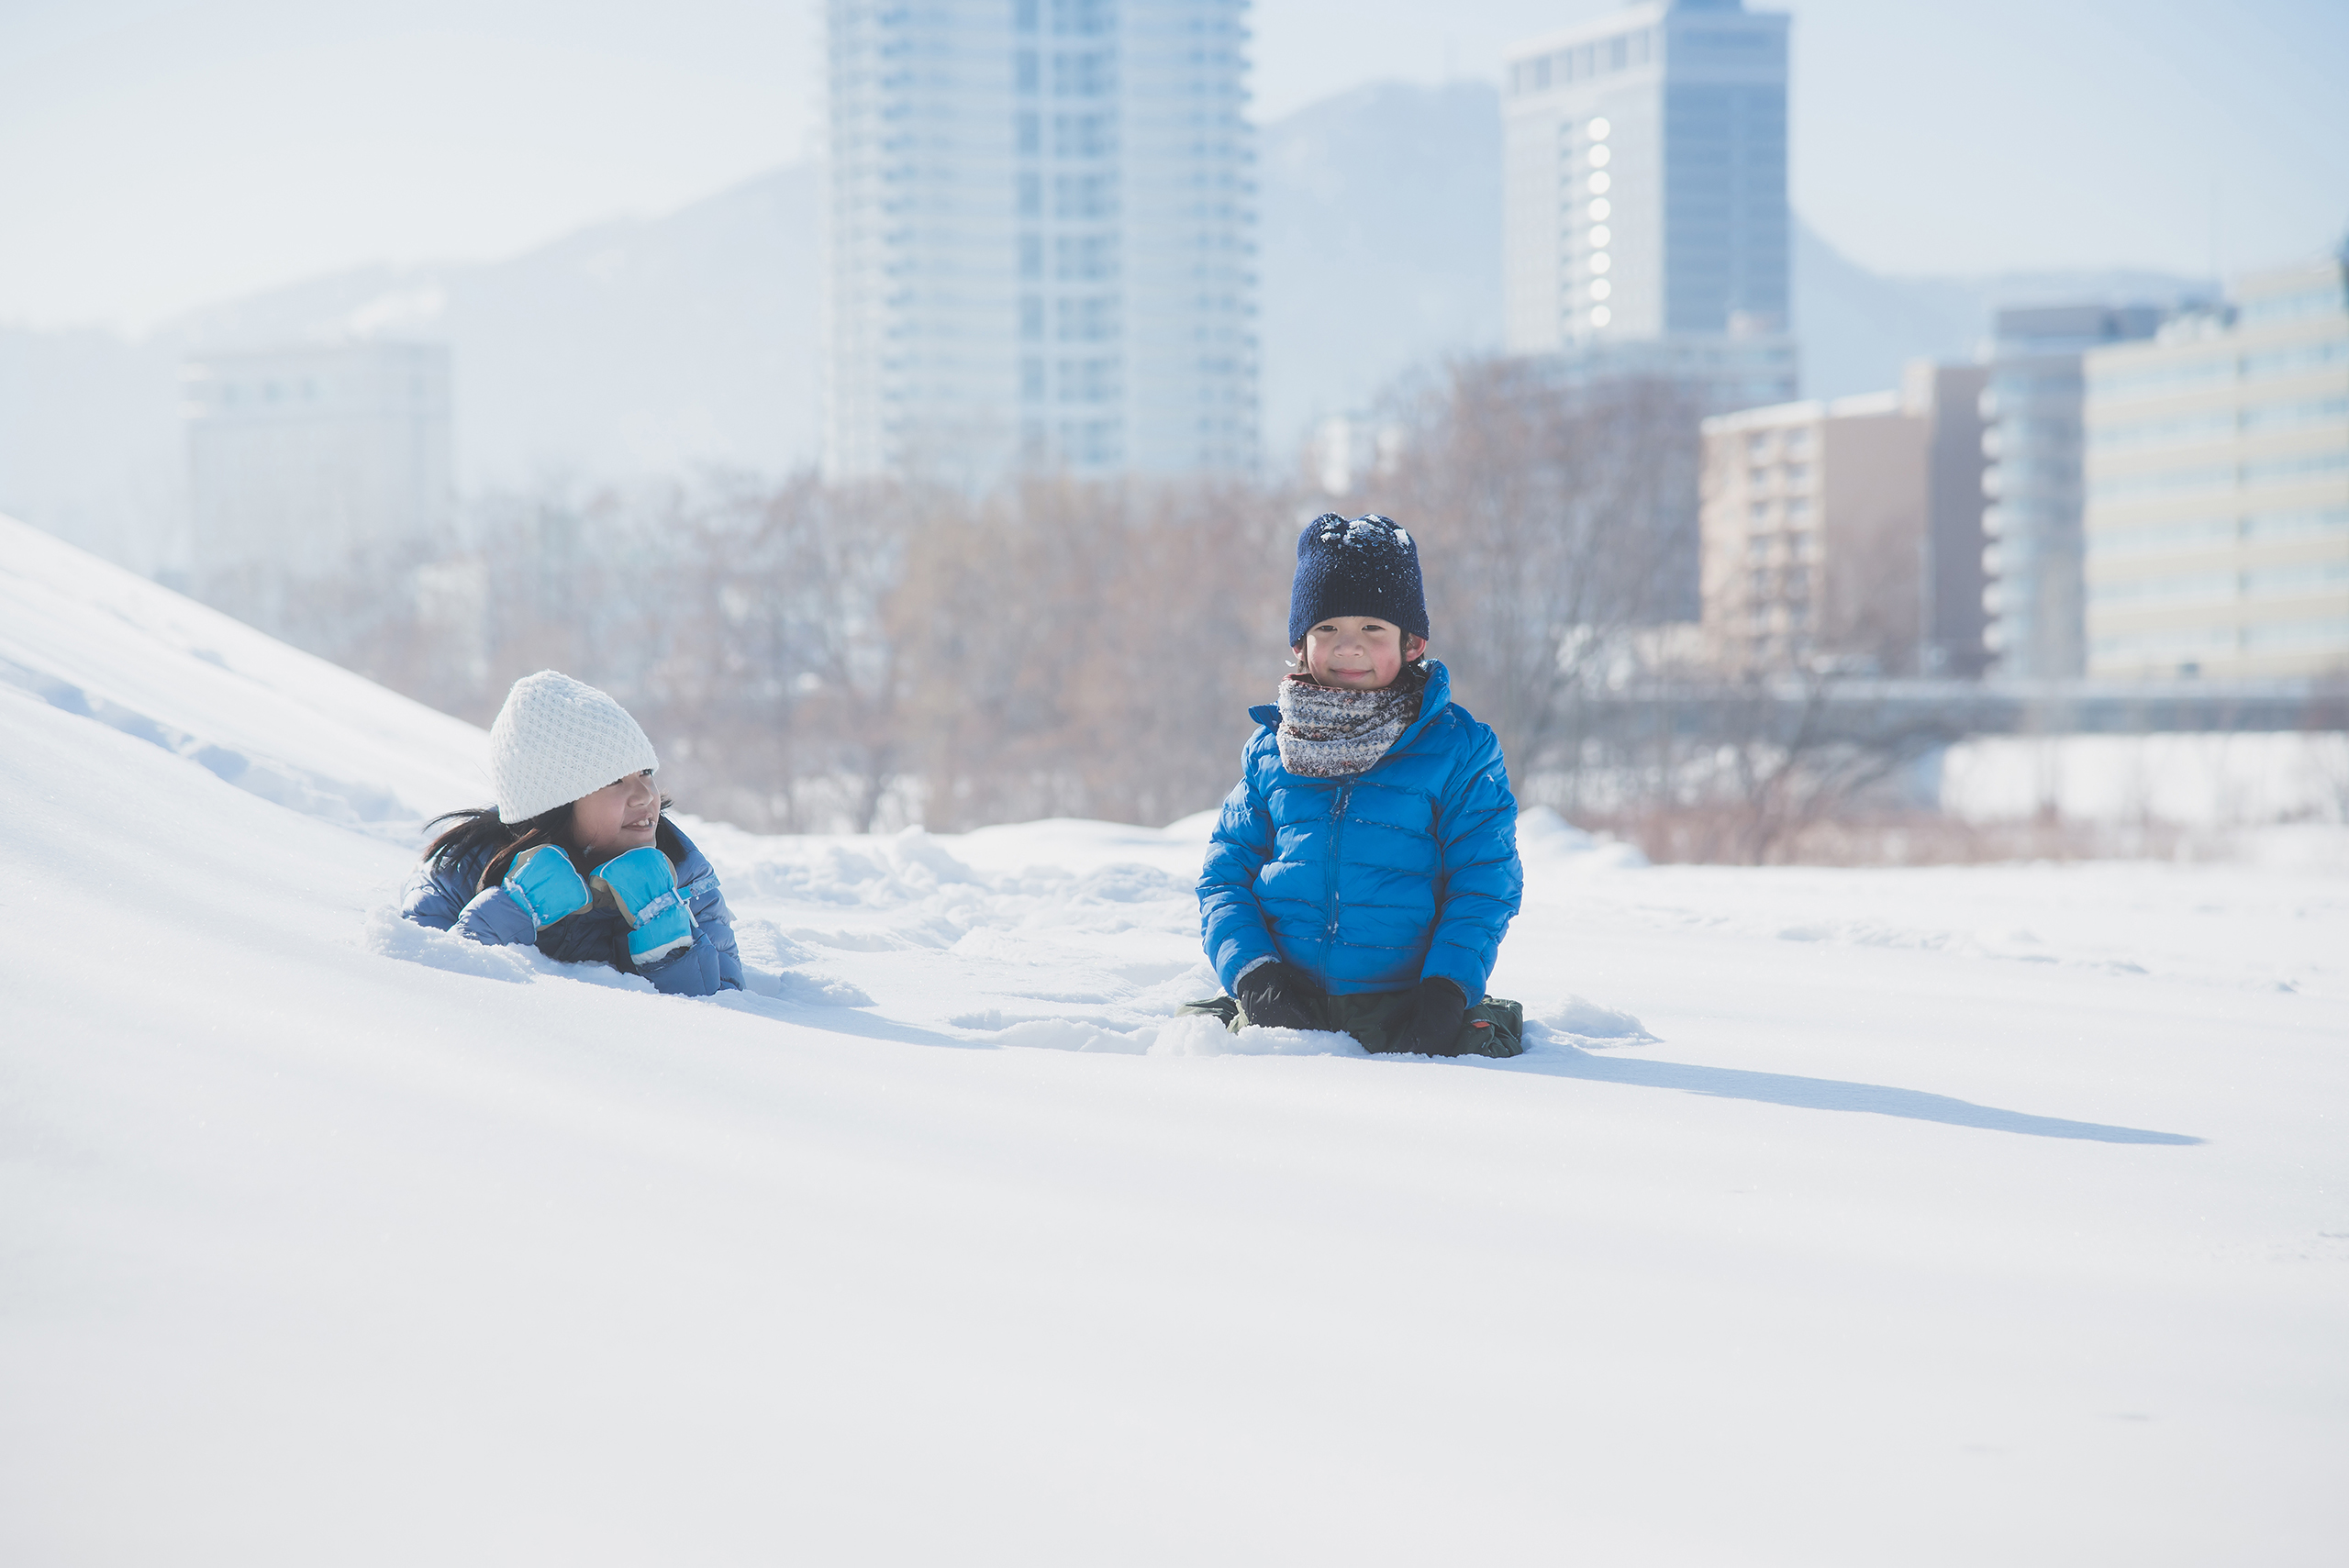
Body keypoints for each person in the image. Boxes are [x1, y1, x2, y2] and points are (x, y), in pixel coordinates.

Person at [1191, 513, 1525, 1057]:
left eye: (1372, 629)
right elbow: (1224, 878)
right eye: (1328, 629)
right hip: (1286, 1007)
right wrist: (1254, 975)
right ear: (1301, 644)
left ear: (1412, 642)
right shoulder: (1271, 752)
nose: (1349, 648)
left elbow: (1484, 882)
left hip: (1408, 1008)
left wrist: (1446, 990)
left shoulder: (1457, 751)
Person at [402, 670, 742, 996]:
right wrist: (512, 908)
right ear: (556, 805)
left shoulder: (686, 879)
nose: (645, 796)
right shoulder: (462, 870)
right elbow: (424, 987)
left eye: (645, 772)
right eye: (614, 780)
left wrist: (665, 930)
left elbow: (724, 1007)